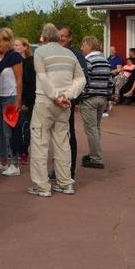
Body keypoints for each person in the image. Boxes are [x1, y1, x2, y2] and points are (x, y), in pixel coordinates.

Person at [27, 24, 85, 197]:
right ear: (58, 38)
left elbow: (42, 76)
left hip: (45, 102)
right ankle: (66, 183)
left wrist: (55, 96)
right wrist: (67, 95)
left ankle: (42, 186)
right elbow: (81, 79)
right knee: (62, 143)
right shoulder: (69, 54)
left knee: (40, 143)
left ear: (44, 38)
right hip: (64, 105)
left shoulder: (40, 52)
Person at [0, 29, 21, 176]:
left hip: (10, 96)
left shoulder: (15, 57)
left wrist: (19, 100)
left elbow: (19, 80)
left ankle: (14, 163)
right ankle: (2, 161)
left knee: (9, 131)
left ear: (8, 41)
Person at [57, 25, 87, 181]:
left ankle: (69, 171)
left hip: (67, 101)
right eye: (59, 35)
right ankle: (59, 169)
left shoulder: (75, 54)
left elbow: (82, 78)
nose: (61, 38)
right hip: (53, 100)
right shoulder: (54, 52)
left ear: (70, 38)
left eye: (64, 36)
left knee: (68, 135)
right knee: (56, 137)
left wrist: (70, 96)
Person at [79, 36, 112, 169]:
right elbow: (110, 81)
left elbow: (83, 81)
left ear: (90, 46)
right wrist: (108, 97)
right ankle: (94, 154)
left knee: (91, 129)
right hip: (102, 98)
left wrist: (81, 95)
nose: (81, 48)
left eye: (83, 45)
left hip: (90, 98)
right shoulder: (105, 61)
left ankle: (96, 158)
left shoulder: (88, 61)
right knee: (96, 128)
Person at [13, 37, 35, 167]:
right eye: (14, 45)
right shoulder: (11, 61)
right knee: (13, 127)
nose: (15, 47)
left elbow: (30, 84)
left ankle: (23, 152)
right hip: (12, 97)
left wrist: (25, 102)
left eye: (18, 45)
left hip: (25, 100)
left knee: (24, 126)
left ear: (25, 47)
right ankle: (14, 150)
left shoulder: (28, 62)